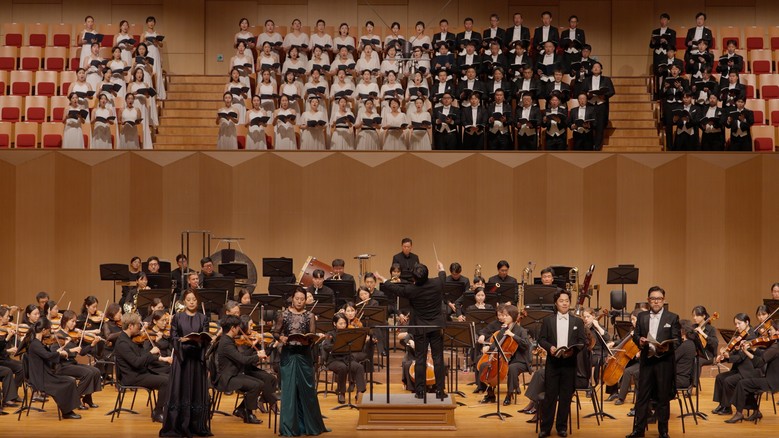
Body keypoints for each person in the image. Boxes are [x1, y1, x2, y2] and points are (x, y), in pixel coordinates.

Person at [375, 261, 448, 399]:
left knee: (420, 359)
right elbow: (443, 276)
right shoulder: (437, 283)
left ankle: (420, 391)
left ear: (414, 278)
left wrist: (383, 279)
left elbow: (395, 288)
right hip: (436, 327)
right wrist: (441, 268)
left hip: (420, 328)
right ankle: (440, 391)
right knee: (438, 359)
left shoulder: (411, 289)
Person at [626, 286, 681, 438]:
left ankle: (663, 431)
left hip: (664, 363)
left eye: (659, 299)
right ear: (648, 300)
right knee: (642, 397)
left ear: (663, 300)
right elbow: (636, 335)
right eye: (653, 299)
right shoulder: (642, 316)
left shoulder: (672, 317)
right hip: (647, 362)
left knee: (663, 398)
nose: (656, 301)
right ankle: (639, 430)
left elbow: (677, 341)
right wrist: (640, 341)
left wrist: (666, 347)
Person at [274, 287, 329, 436]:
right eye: (297, 298)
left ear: (305, 300)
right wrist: (281, 338)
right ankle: (289, 427)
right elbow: (275, 332)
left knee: (307, 390)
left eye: (302, 299)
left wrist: (309, 340)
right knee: (289, 390)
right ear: (292, 298)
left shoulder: (310, 315)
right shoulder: (284, 314)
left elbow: (311, 335)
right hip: (288, 354)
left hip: (304, 354)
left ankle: (310, 425)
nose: (299, 301)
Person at [160, 289, 212, 436]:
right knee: (179, 389)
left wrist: (195, 342)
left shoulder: (203, 318)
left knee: (195, 390)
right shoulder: (177, 317)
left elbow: (205, 338)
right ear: (184, 302)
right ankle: (177, 424)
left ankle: (195, 425)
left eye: (194, 299)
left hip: (196, 359)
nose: (191, 302)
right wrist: (184, 343)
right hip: (181, 359)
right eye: (188, 300)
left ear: (198, 301)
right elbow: (173, 338)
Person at [537, 289, 586, 437]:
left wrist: (573, 351)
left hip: (570, 363)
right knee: (550, 396)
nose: (564, 303)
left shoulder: (578, 321)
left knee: (565, 396)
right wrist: (550, 347)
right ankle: (545, 428)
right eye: (561, 301)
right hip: (553, 363)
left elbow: (582, 342)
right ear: (556, 303)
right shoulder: (548, 320)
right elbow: (542, 339)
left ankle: (561, 427)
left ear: (570, 303)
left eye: (567, 301)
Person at [114, 312, 172, 423]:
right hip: (133, 376)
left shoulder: (130, 339)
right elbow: (137, 363)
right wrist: (151, 352)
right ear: (130, 326)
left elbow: (142, 356)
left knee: (169, 376)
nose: (140, 328)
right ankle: (157, 412)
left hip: (140, 372)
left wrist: (161, 359)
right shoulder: (122, 343)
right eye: (138, 325)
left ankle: (167, 409)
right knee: (166, 382)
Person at [21, 318, 82, 419]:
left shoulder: (38, 342)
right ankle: (67, 412)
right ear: (43, 330)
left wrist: (58, 351)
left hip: (45, 374)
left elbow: (47, 355)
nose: (50, 332)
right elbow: (48, 356)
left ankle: (68, 410)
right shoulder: (35, 344)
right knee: (66, 383)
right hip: (40, 378)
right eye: (49, 330)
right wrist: (59, 353)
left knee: (70, 381)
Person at [213, 314, 265, 425]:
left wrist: (253, 350)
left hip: (233, 374)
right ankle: (248, 415)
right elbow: (242, 360)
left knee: (260, 383)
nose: (239, 330)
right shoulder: (226, 343)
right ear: (233, 328)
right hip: (227, 378)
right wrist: (258, 356)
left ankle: (241, 409)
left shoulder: (227, 339)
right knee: (255, 385)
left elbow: (239, 356)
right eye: (238, 327)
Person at [477, 305, 531, 405]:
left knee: (512, 368)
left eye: (506, 315)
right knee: (484, 365)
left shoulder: (521, 330)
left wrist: (513, 335)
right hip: (504, 359)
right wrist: (488, 348)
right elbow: (495, 344)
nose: (504, 317)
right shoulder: (503, 330)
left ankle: (509, 395)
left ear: (513, 316)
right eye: (503, 315)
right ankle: (490, 395)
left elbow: (526, 345)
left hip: (519, 360)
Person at [725, 325, 779, 423]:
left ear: (778, 332)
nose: (769, 332)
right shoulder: (775, 346)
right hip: (774, 379)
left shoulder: (775, 347)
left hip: (772, 382)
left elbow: (759, 363)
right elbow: (764, 355)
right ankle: (756, 411)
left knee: (742, 383)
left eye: (771, 330)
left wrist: (746, 351)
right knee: (747, 383)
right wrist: (753, 348)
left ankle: (739, 413)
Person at [711, 313, 759, 416]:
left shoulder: (751, 337)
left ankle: (727, 407)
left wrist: (728, 357)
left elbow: (741, 357)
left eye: (739, 323)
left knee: (728, 381)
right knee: (720, 377)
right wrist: (723, 357)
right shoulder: (741, 336)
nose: (737, 326)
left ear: (747, 322)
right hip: (739, 369)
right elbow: (734, 353)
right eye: (735, 324)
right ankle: (723, 405)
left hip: (747, 371)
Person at [53, 310, 102, 409]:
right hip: (62, 366)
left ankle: (87, 398)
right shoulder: (58, 335)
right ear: (65, 321)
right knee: (88, 373)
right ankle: (76, 399)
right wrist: (71, 350)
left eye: (75, 321)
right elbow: (54, 352)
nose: (74, 324)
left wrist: (92, 344)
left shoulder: (72, 335)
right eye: (72, 321)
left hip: (72, 364)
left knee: (96, 371)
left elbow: (82, 352)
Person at [321, 313, 367, 404]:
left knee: (359, 367)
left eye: (344, 323)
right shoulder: (330, 334)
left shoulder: (349, 333)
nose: (343, 325)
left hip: (347, 358)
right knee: (342, 367)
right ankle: (341, 392)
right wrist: (336, 346)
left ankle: (360, 393)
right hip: (334, 360)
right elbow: (326, 346)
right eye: (340, 323)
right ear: (335, 324)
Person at [582, 61, 615, 150]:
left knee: (600, 127)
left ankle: (597, 148)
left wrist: (604, 95)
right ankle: (590, 146)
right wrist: (588, 95)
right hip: (590, 104)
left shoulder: (606, 79)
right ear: (591, 69)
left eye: (598, 67)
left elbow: (612, 91)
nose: (596, 68)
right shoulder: (586, 80)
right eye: (594, 67)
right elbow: (582, 91)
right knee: (590, 125)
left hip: (601, 105)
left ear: (601, 69)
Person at [0, 306, 22, 407]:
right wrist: (8, 350)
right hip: (1, 358)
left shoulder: (7, 328)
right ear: (0, 317)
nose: (9, 318)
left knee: (22, 366)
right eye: (7, 316)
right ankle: (8, 396)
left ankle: (13, 393)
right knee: (7, 371)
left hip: (5, 358)